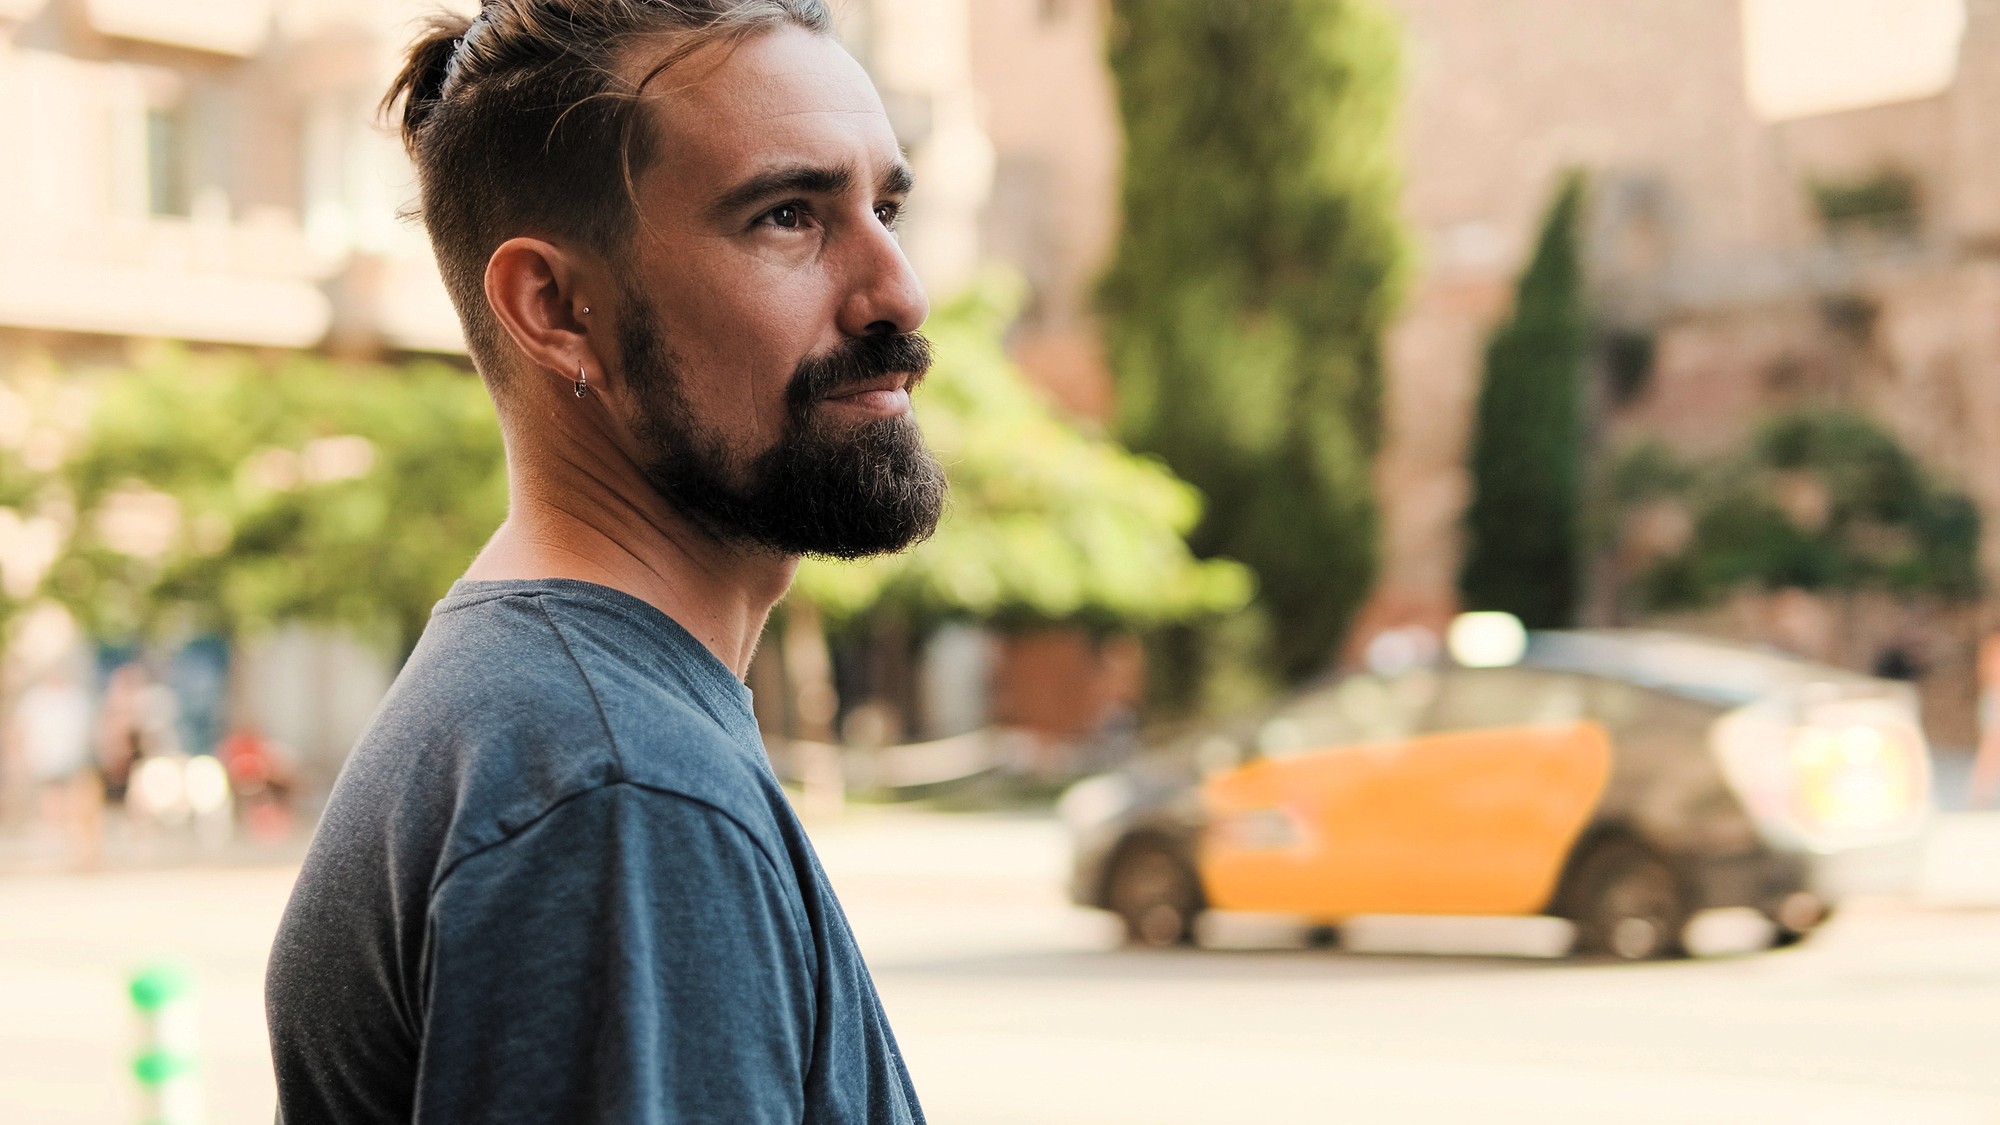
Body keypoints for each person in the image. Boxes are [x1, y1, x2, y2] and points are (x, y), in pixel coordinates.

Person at [264, 3, 945, 1121]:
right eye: (788, 216)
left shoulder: (542, 713)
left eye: (885, 207)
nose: (898, 292)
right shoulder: (622, 792)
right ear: (556, 308)